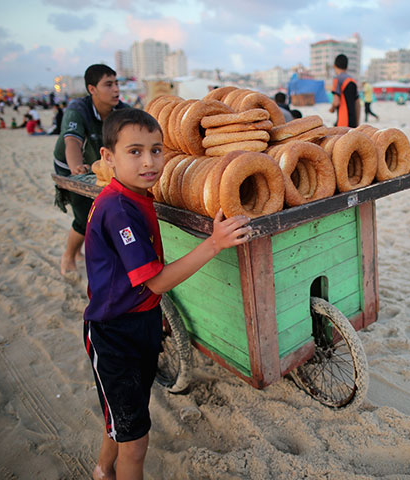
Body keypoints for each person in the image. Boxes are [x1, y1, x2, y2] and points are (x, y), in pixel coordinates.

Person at [83, 108, 251, 479]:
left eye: (156, 150)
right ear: (108, 158)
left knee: (126, 414)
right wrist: (214, 243)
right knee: (136, 440)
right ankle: (110, 467)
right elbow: (156, 282)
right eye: (135, 151)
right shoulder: (118, 209)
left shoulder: (134, 194)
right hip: (114, 333)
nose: (149, 161)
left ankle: (101, 469)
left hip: (141, 322)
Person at [53, 64, 129, 275]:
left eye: (116, 84)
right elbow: (72, 143)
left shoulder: (122, 111)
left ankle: (80, 252)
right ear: (92, 89)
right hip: (70, 164)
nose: (116, 90)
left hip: (98, 165)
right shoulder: (78, 110)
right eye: (108, 84)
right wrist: (76, 167)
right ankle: (69, 255)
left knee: (102, 211)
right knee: (84, 214)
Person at [329, 54, 360, 127]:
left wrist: (332, 109)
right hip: (353, 122)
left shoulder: (337, 79)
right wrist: (357, 122)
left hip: (343, 122)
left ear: (334, 66)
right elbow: (357, 104)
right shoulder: (353, 81)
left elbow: (336, 102)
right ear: (347, 67)